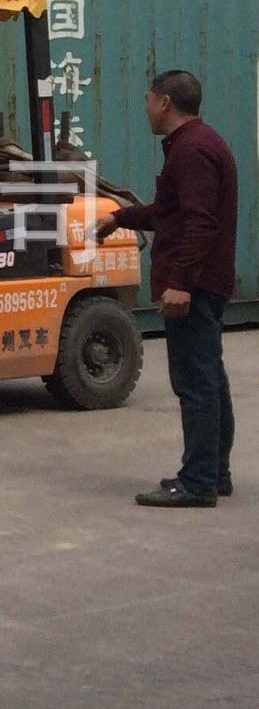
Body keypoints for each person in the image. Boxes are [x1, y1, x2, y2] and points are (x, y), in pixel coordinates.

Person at [94, 69, 238, 508]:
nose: (146, 108)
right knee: (209, 378)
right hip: (205, 282)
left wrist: (180, 283)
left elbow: (200, 222)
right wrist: (120, 218)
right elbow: (170, 212)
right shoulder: (197, 144)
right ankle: (213, 473)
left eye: (147, 99)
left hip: (194, 287)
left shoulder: (192, 151)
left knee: (196, 383)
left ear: (164, 102)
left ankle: (198, 482)